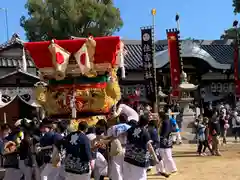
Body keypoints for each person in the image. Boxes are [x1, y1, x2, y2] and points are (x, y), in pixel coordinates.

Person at [123, 115, 159, 180]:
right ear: (147, 123)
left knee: (128, 177)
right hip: (139, 160)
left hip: (128, 157)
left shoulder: (131, 128)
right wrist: (155, 158)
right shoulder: (145, 132)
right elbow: (149, 146)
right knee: (140, 177)